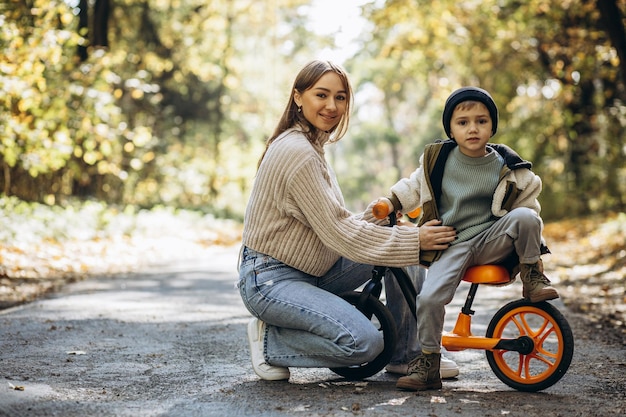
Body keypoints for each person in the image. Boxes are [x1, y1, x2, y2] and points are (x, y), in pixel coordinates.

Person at [237, 60, 459, 381]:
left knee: (400, 244)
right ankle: (271, 340)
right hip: (270, 279)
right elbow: (339, 233)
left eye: (340, 98)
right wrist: (417, 240)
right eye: (321, 95)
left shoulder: (312, 146)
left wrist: (377, 218)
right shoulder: (296, 152)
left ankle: (406, 355)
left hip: (314, 268)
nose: (331, 106)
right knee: (363, 344)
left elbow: (328, 222)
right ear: (298, 97)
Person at [376, 86, 559, 391]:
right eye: (462, 122)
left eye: (481, 121)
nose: (472, 128)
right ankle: (428, 363)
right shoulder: (438, 158)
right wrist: (390, 203)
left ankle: (532, 276)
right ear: (450, 128)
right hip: (451, 243)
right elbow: (412, 186)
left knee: (527, 216)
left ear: (492, 126)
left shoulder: (509, 165)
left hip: (492, 238)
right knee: (429, 298)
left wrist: (532, 252)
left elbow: (528, 203)